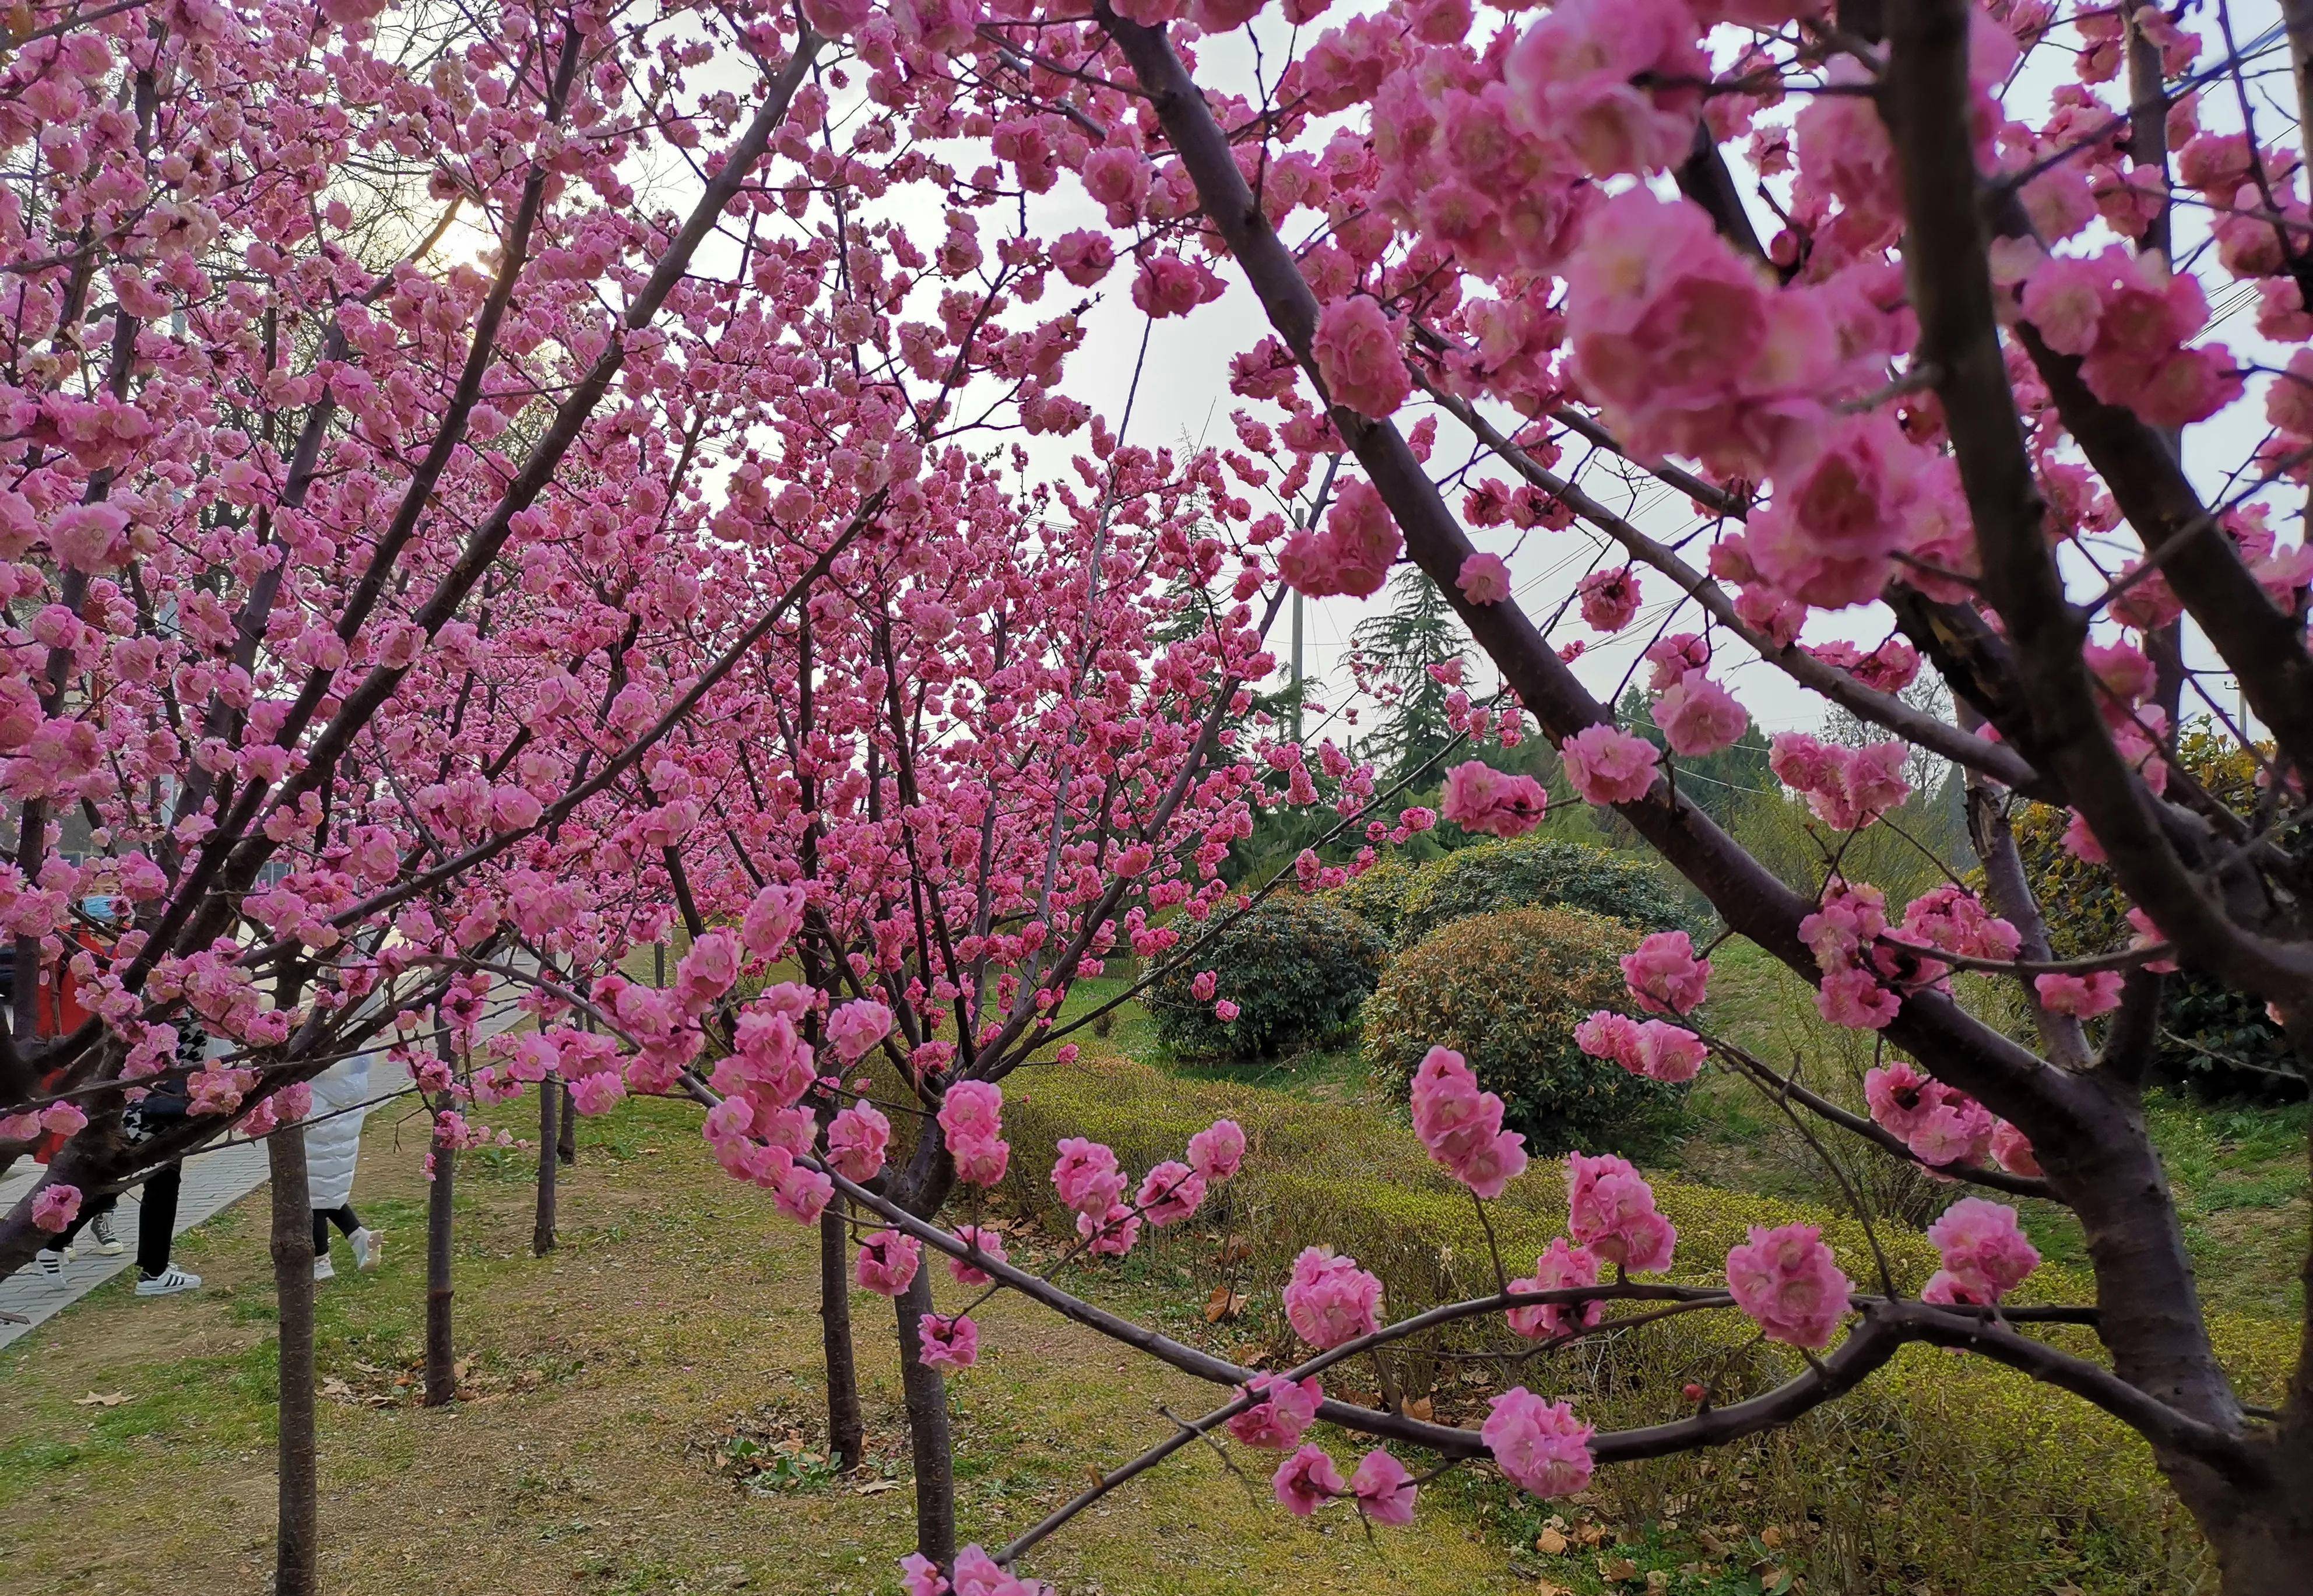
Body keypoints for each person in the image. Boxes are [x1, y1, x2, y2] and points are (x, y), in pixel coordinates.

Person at [303, 1053, 381, 1281]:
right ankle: (361, 1238)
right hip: (341, 1154)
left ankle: (321, 1263)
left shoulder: (314, 1082)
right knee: (330, 1197)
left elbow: (302, 1117)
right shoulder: (354, 1075)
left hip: (314, 1154)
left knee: (313, 1205)